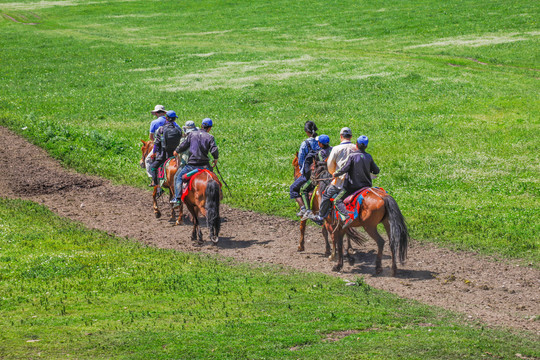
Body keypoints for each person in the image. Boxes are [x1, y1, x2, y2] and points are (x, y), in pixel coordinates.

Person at [327, 135, 379, 229]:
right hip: (366, 186)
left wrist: (335, 174)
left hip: (352, 187)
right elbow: (376, 171)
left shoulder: (352, 156)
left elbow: (344, 169)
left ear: (356, 144)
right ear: (366, 146)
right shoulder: (368, 156)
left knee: (337, 200)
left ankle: (347, 217)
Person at [308, 127, 356, 227]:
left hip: (341, 181)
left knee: (325, 195)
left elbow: (330, 166)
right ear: (351, 136)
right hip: (355, 180)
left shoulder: (336, 149)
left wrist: (333, 174)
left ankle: (321, 216)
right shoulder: (356, 148)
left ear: (341, 136)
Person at [170, 118, 218, 205]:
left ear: (201, 126)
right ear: (210, 128)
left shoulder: (192, 134)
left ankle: (177, 199)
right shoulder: (210, 137)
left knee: (178, 177)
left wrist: (177, 150)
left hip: (192, 165)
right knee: (213, 177)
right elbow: (214, 149)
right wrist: (215, 159)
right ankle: (219, 193)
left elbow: (184, 145)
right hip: (204, 165)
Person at [290, 121, 320, 217]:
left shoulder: (305, 144)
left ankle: (304, 208)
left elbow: (301, 161)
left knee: (293, 188)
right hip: (321, 172)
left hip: (309, 174)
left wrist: (303, 173)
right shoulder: (321, 142)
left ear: (307, 131)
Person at [299, 134, 332, 220]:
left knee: (303, 189)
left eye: (318, 142)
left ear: (321, 144)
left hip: (322, 177)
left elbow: (319, 166)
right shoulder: (333, 149)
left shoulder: (319, 153)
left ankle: (308, 210)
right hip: (333, 176)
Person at [148, 110, 183, 187]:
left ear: (166, 118)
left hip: (163, 154)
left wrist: (154, 152)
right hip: (175, 154)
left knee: (153, 167)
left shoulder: (161, 129)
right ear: (174, 119)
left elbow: (157, 143)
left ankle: (155, 183)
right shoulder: (178, 129)